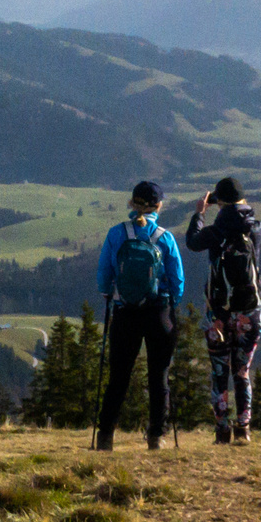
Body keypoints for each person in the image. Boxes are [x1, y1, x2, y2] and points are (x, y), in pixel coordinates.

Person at [93, 180, 185, 450]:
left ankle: (106, 436)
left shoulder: (117, 234)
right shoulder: (165, 238)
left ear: (132, 203)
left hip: (125, 313)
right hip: (159, 312)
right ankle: (157, 436)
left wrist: (109, 295)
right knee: (159, 376)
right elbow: (177, 280)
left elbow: (103, 276)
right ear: (158, 205)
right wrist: (171, 304)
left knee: (119, 377)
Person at [185, 177, 261, 444]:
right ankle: (244, 428)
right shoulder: (255, 229)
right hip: (249, 312)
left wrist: (200, 212)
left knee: (219, 372)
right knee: (242, 371)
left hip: (218, 314)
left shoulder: (216, 232)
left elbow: (193, 242)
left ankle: (222, 430)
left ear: (219, 201)